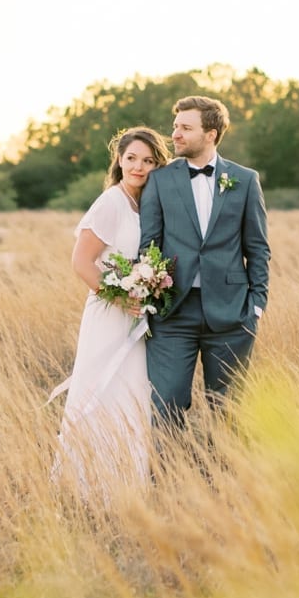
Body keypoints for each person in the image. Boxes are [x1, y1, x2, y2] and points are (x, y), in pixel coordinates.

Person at [49, 126, 172, 497]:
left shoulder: (144, 203)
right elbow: (82, 261)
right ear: (119, 160)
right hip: (109, 314)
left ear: (157, 165)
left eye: (148, 160)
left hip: (136, 314)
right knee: (100, 391)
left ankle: (124, 486)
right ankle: (87, 486)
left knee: (130, 394)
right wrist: (120, 296)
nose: (138, 167)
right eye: (131, 158)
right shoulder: (112, 202)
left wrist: (149, 284)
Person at [137, 95, 269, 430]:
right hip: (172, 314)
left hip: (231, 314)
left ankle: (227, 480)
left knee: (229, 411)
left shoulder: (245, 180)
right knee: (165, 406)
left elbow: (257, 248)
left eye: (185, 127)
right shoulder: (160, 180)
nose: (175, 134)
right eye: (175, 126)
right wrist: (151, 299)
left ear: (210, 134)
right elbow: (149, 244)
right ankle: (167, 480)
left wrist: (256, 307)